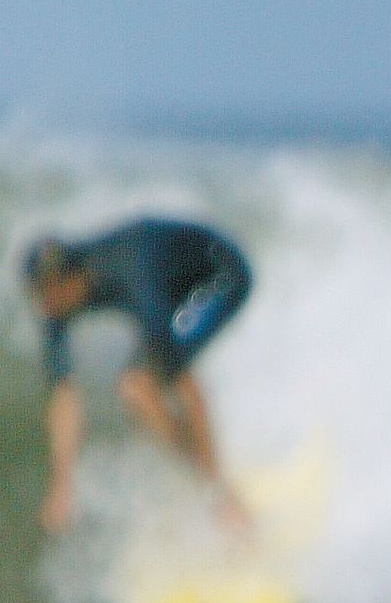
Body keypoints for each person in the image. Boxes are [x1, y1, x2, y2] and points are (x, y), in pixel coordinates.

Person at [20, 218, 254, 536]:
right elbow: (65, 394)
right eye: (36, 294)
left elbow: (186, 385)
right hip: (170, 282)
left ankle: (221, 495)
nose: (43, 306)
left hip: (221, 274)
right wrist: (62, 488)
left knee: (142, 384)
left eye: (46, 295)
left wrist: (220, 496)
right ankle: (200, 479)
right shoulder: (58, 301)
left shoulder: (132, 277)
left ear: (71, 280)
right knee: (138, 391)